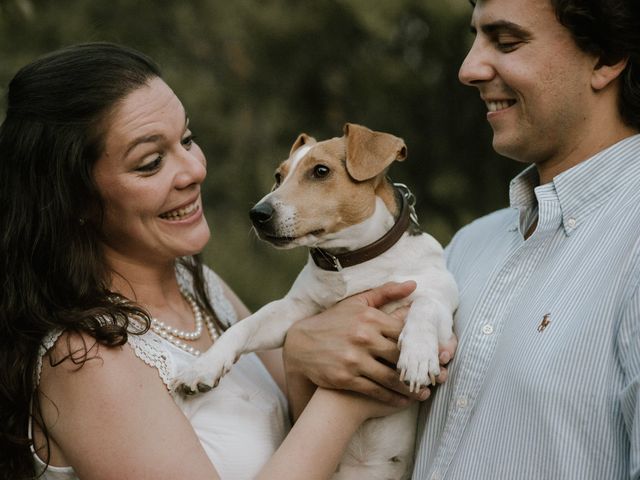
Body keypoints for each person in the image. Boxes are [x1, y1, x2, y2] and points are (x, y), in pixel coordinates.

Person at [0, 42, 435, 480]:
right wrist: (350, 395)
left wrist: (302, 355)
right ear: (76, 199)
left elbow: (308, 442)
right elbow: (328, 421)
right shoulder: (85, 358)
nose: (193, 170)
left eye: (187, 139)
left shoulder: (203, 287)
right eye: (151, 163)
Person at [283, 0, 640, 478]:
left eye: (507, 42)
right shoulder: (467, 248)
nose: (468, 69)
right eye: (475, 38)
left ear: (606, 57)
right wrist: (299, 348)